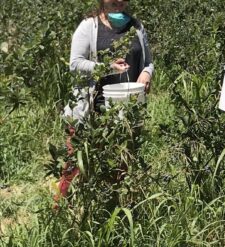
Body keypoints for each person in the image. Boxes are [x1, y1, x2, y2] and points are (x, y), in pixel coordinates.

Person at [54, 0, 154, 205]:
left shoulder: (136, 26)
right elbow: (75, 63)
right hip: (88, 112)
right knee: (74, 167)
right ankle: (61, 213)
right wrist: (106, 67)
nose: (118, 1)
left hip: (123, 113)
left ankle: (109, 213)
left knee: (118, 169)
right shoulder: (89, 26)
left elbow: (148, 62)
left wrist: (146, 73)